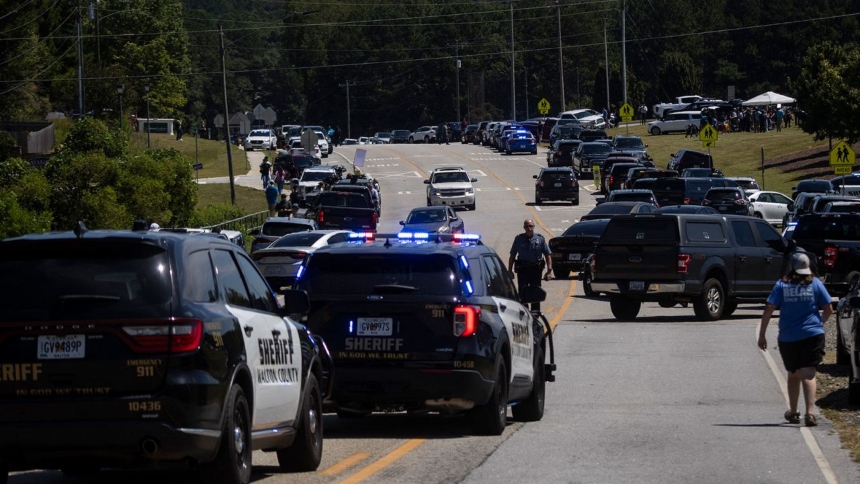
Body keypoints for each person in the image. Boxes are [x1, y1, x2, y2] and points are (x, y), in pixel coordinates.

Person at [758, 252, 832, 427]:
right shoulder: (816, 284)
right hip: (812, 335)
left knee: (793, 374)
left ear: (792, 267)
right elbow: (828, 308)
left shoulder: (782, 285)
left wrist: (762, 334)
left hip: (789, 337)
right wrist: (819, 323)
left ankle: (793, 411)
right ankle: (810, 413)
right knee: (809, 374)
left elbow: (769, 307)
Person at [508, 219, 552, 311]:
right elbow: (512, 255)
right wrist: (510, 270)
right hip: (522, 269)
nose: (529, 228)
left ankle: (535, 313)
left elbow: (548, 255)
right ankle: (525, 311)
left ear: (534, 227)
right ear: (524, 227)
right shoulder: (518, 239)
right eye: (527, 226)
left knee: (536, 291)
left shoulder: (540, 239)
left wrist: (549, 271)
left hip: (535, 270)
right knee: (522, 291)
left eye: (531, 226)